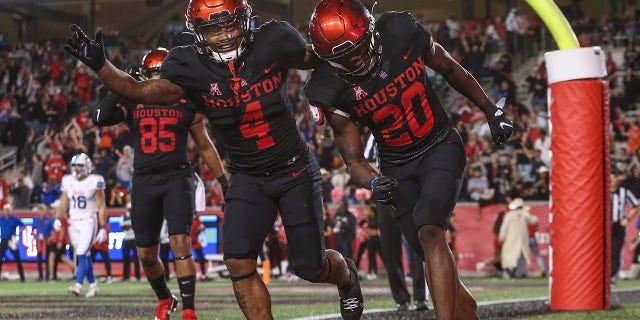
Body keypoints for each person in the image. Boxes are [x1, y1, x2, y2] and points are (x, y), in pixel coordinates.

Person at [64, 1, 364, 319]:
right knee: (237, 259)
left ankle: (346, 275)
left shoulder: (273, 38)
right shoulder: (188, 64)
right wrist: (101, 66)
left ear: (245, 20)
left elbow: (319, 56)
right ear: (197, 32)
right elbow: (141, 91)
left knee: (310, 267)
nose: (224, 35)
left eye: (229, 24)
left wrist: (343, 50)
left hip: (294, 169)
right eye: (212, 28)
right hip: (248, 175)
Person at [304, 1, 515, 318]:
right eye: (344, 57)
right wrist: (374, 181)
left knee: (430, 230)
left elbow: (449, 67)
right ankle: (465, 311)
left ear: (371, 31)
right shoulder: (327, 87)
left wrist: (490, 109)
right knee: (432, 257)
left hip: (439, 143)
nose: (356, 59)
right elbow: (354, 161)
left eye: (359, 49)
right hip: (396, 165)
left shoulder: (400, 31)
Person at [91, 46, 227, 320]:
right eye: (151, 73)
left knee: (180, 242)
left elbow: (204, 144)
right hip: (144, 180)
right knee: (146, 254)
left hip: (177, 177)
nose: (154, 78)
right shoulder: (133, 98)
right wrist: (119, 87)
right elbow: (100, 118)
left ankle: (189, 310)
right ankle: (166, 298)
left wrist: (224, 181)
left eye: (158, 73)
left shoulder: (185, 99)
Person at [56, 153, 107, 297]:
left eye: (80, 165)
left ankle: (78, 285)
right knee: (85, 255)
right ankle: (93, 285)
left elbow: (101, 205)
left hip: (88, 221)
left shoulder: (94, 180)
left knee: (81, 253)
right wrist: (58, 218)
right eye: (75, 166)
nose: (77, 169)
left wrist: (103, 227)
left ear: (87, 167)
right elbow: (64, 201)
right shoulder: (68, 181)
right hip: (74, 222)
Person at [611, 173, 640, 284]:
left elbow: (635, 206)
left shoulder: (624, 192)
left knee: (615, 251)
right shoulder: (601, 190)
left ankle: (612, 276)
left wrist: (627, 219)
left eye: (613, 178)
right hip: (603, 225)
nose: (611, 180)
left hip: (618, 224)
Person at [499, 198, 538, 278]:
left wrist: (502, 237)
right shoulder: (525, 214)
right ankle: (518, 272)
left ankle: (513, 271)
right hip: (522, 240)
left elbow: (504, 228)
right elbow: (534, 220)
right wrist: (528, 211)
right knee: (519, 256)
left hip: (511, 239)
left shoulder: (509, 215)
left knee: (509, 255)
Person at [191, 174, 210, 281]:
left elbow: (200, 225)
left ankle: (202, 274)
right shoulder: (188, 214)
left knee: (200, 258)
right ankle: (188, 275)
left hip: (194, 238)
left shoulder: (195, 215)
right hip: (189, 238)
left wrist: (201, 228)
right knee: (185, 258)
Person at [0, 203, 25, 282]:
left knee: (17, 258)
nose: (7, 211)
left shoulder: (15, 219)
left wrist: (18, 234)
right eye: (5, 210)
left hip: (12, 240)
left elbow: (23, 226)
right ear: (3, 211)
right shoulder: (1, 219)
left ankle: (22, 277)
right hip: (4, 239)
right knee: (0, 258)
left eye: (8, 210)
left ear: (10, 210)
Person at [32, 204, 54, 281]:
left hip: (47, 241)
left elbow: (53, 231)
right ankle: (40, 276)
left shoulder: (49, 220)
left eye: (42, 210)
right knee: (39, 260)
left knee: (48, 259)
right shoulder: (36, 220)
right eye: (40, 210)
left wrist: (51, 238)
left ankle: (47, 276)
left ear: (45, 211)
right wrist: (35, 236)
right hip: (39, 242)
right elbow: (32, 229)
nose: (41, 212)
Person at [120, 201, 141, 281]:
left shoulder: (136, 216)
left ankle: (137, 276)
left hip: (134, 238)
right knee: (126, 258)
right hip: (127, 238)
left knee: (136, 258)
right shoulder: (123, 216)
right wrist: (130, 226)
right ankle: (126, 276)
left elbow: (136, 226)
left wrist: (128, 226)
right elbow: (122, 227)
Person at [91, 218, 113, 283]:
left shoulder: (106, 225)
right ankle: (88, 276)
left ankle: (109, 276)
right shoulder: (98, 221)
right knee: (90, 261)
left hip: (102, 245)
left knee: (106, 261)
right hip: (96, 244)